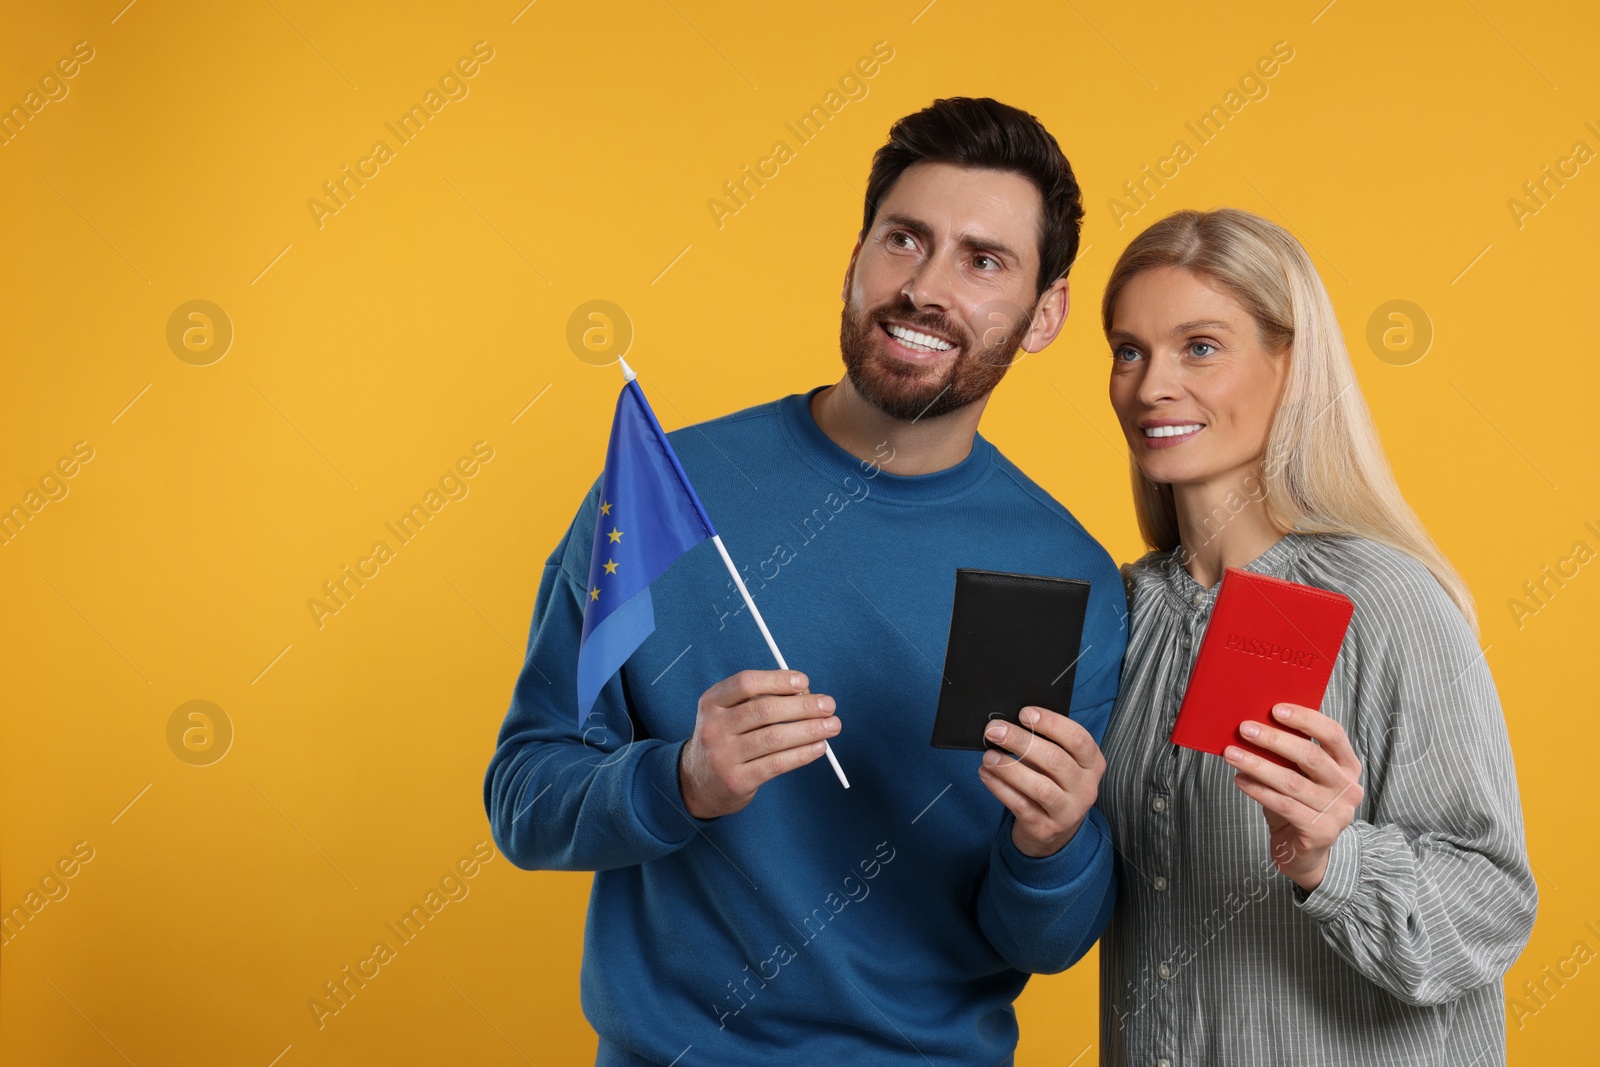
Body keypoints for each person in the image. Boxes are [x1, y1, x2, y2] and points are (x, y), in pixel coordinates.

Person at [484, 97, 1128, 1066]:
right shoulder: (663, 488)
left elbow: (1041, 940)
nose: (923, 285)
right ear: (855, 255)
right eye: (903, 239)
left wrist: (1053, 840)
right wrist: (681, 781)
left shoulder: (1062, 573)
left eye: (982, 259)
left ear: (1045, 314)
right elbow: (524, 798)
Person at [1093, 207, 1536, 1066]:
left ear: (1288, 364)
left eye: (1201, 346)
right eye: (1129, 350)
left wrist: (1334, 858)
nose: (1151, 387)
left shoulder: (1388, 602)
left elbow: (1491, 906)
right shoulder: (1122, 613)